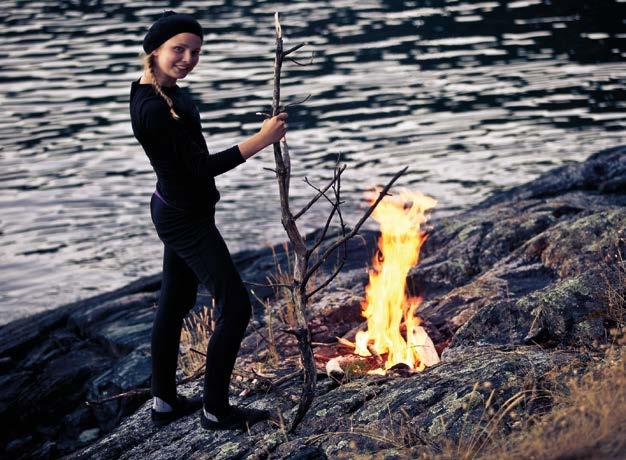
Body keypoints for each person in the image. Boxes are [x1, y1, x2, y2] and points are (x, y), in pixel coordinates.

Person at [129, 10, 287, 430]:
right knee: (235, 307)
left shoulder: (163, 89)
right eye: (178, 49)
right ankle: (216, 410)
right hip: (185, 219)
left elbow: (188, 160)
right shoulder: (153, 109)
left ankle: (164, 402)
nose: (187, 59)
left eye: (195, 51)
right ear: (155, 50)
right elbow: (199, 168)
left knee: (174, 302)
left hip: (176, 207)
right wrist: (261, 140)